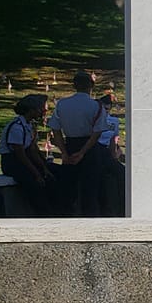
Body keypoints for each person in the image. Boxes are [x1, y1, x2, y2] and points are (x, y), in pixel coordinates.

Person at [47, 71, 110, 216]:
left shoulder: (62, 104)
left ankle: (66, 217)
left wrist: (63, 152)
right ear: (91, 85)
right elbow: (97, 132)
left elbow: (55, 129)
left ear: (74, 85)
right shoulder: (96, 106)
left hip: (69, 145)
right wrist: (82, 152)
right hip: (89, 147)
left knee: (68, 188)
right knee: (91, 188)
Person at [0, 94, 60, 216]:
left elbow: (32, 150)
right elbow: (20, 154)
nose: (42, 111)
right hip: (13, 162)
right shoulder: (16, 127)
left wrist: (44, 168)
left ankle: (57, 210)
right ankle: (43, 214)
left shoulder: (29, 126)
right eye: (39, 109)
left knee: (53, 177)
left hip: (26, 159)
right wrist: (36, 174)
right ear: (30, 110)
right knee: (34, 183)